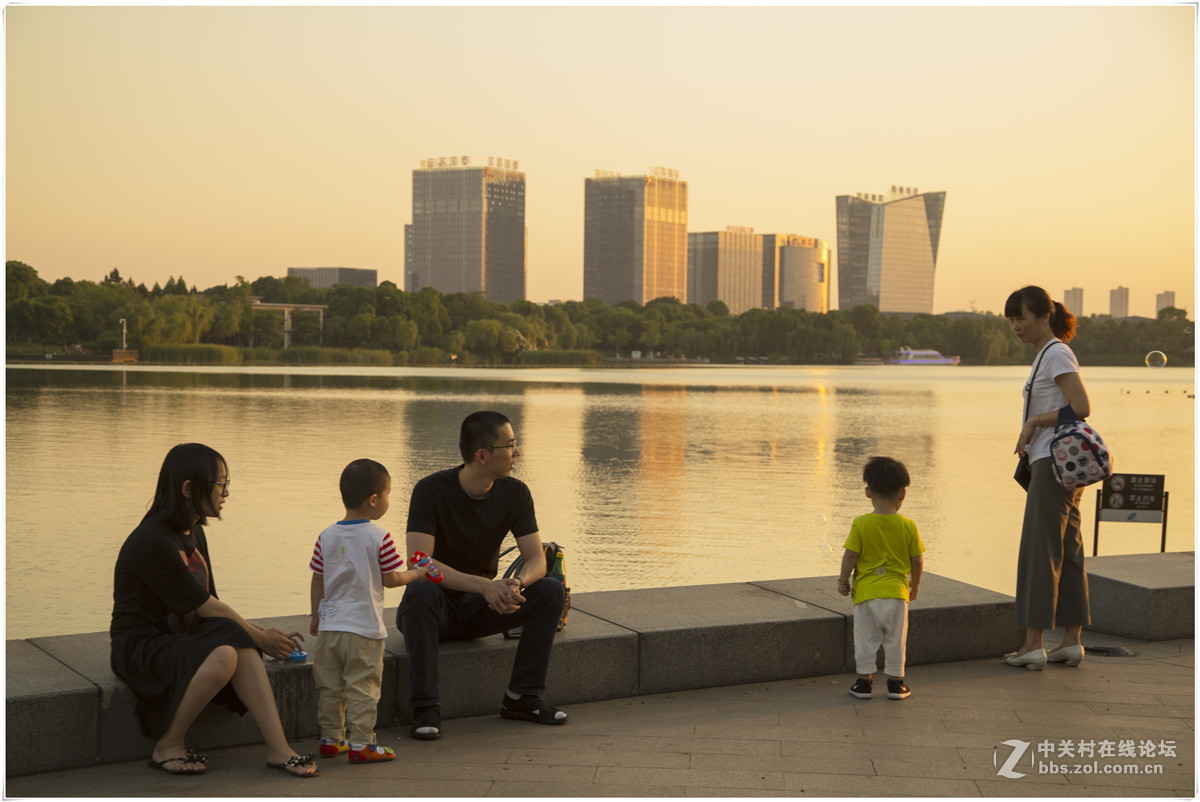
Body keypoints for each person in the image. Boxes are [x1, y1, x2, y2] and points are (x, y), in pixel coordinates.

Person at [110, 443, 319, 777]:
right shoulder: (152, 540)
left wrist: (260, 635)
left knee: (236, 641)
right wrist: (262, 637)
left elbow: (212, 605)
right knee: (227, 652)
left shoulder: (193, 532)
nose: (226, 493)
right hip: (142, 646)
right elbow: (209, 607)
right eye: (221, 483)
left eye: (226, 483)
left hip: (180, 637)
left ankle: (279, 749)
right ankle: (168, 744)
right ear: (189, 488)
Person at [397, 410, 568, 740]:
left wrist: (515, 584)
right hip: (434, 611)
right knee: (421, 591)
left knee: (549, 591)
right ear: (482, 455)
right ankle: (425, 708)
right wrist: (484, 586)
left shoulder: (515, 493)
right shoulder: (430, 490)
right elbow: (419, 561)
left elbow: (536, 559)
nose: (517, 453)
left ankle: (522, 698)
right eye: (511, 445)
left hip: (482, 609)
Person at [308, 459, 426, 763]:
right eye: (388, 494)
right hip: (363, 629)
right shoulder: (380, 537)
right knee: (363, 688)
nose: (388, 500)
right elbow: (390, 579)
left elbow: (317, 578)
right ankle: (361, 744)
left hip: (330, 627)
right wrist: (416, 573)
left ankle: (331, 739)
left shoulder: (326, 535)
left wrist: (315, 615)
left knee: (331, 688)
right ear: (374, 500)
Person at [1004, 285, 1092, 670]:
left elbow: (1082, 406)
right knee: (1068, 551)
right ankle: (1071, 641)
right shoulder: (1048, 355)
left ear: (1044, 317)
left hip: (1051, 463)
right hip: (1061, 465)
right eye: (1010, 320)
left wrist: (1035, 422)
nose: (1015, 326)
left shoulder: (1055, 353)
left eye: (1020, 318)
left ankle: (1032, 644)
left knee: (1041, 551)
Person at [836, 456, 925, 701]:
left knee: (866, 638)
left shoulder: (861, 523)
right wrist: (914, 586)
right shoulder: (908, 525)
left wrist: (843, 581)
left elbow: (851, 555)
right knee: (896, 639)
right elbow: (917, 560)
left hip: (866, 595)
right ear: (902, 494)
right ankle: (896, 683)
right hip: (897, 594)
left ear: (867, 492)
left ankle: (864, 683)